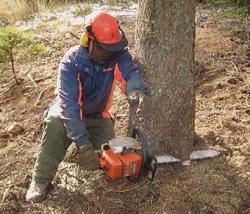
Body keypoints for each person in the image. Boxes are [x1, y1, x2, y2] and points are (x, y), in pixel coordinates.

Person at [26, 12, 147, 203]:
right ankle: (40, 180)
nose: (110, 54)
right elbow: (70, 105)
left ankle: (90, 156)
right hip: (69, 113)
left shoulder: (117, 55)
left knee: (108, 153)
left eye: (113, 49)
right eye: (105, 49)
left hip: (98, 115)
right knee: (55, 123)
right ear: (90, 42)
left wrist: (135, 88)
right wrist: (83, 144)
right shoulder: (71, 63)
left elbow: (130, 72)